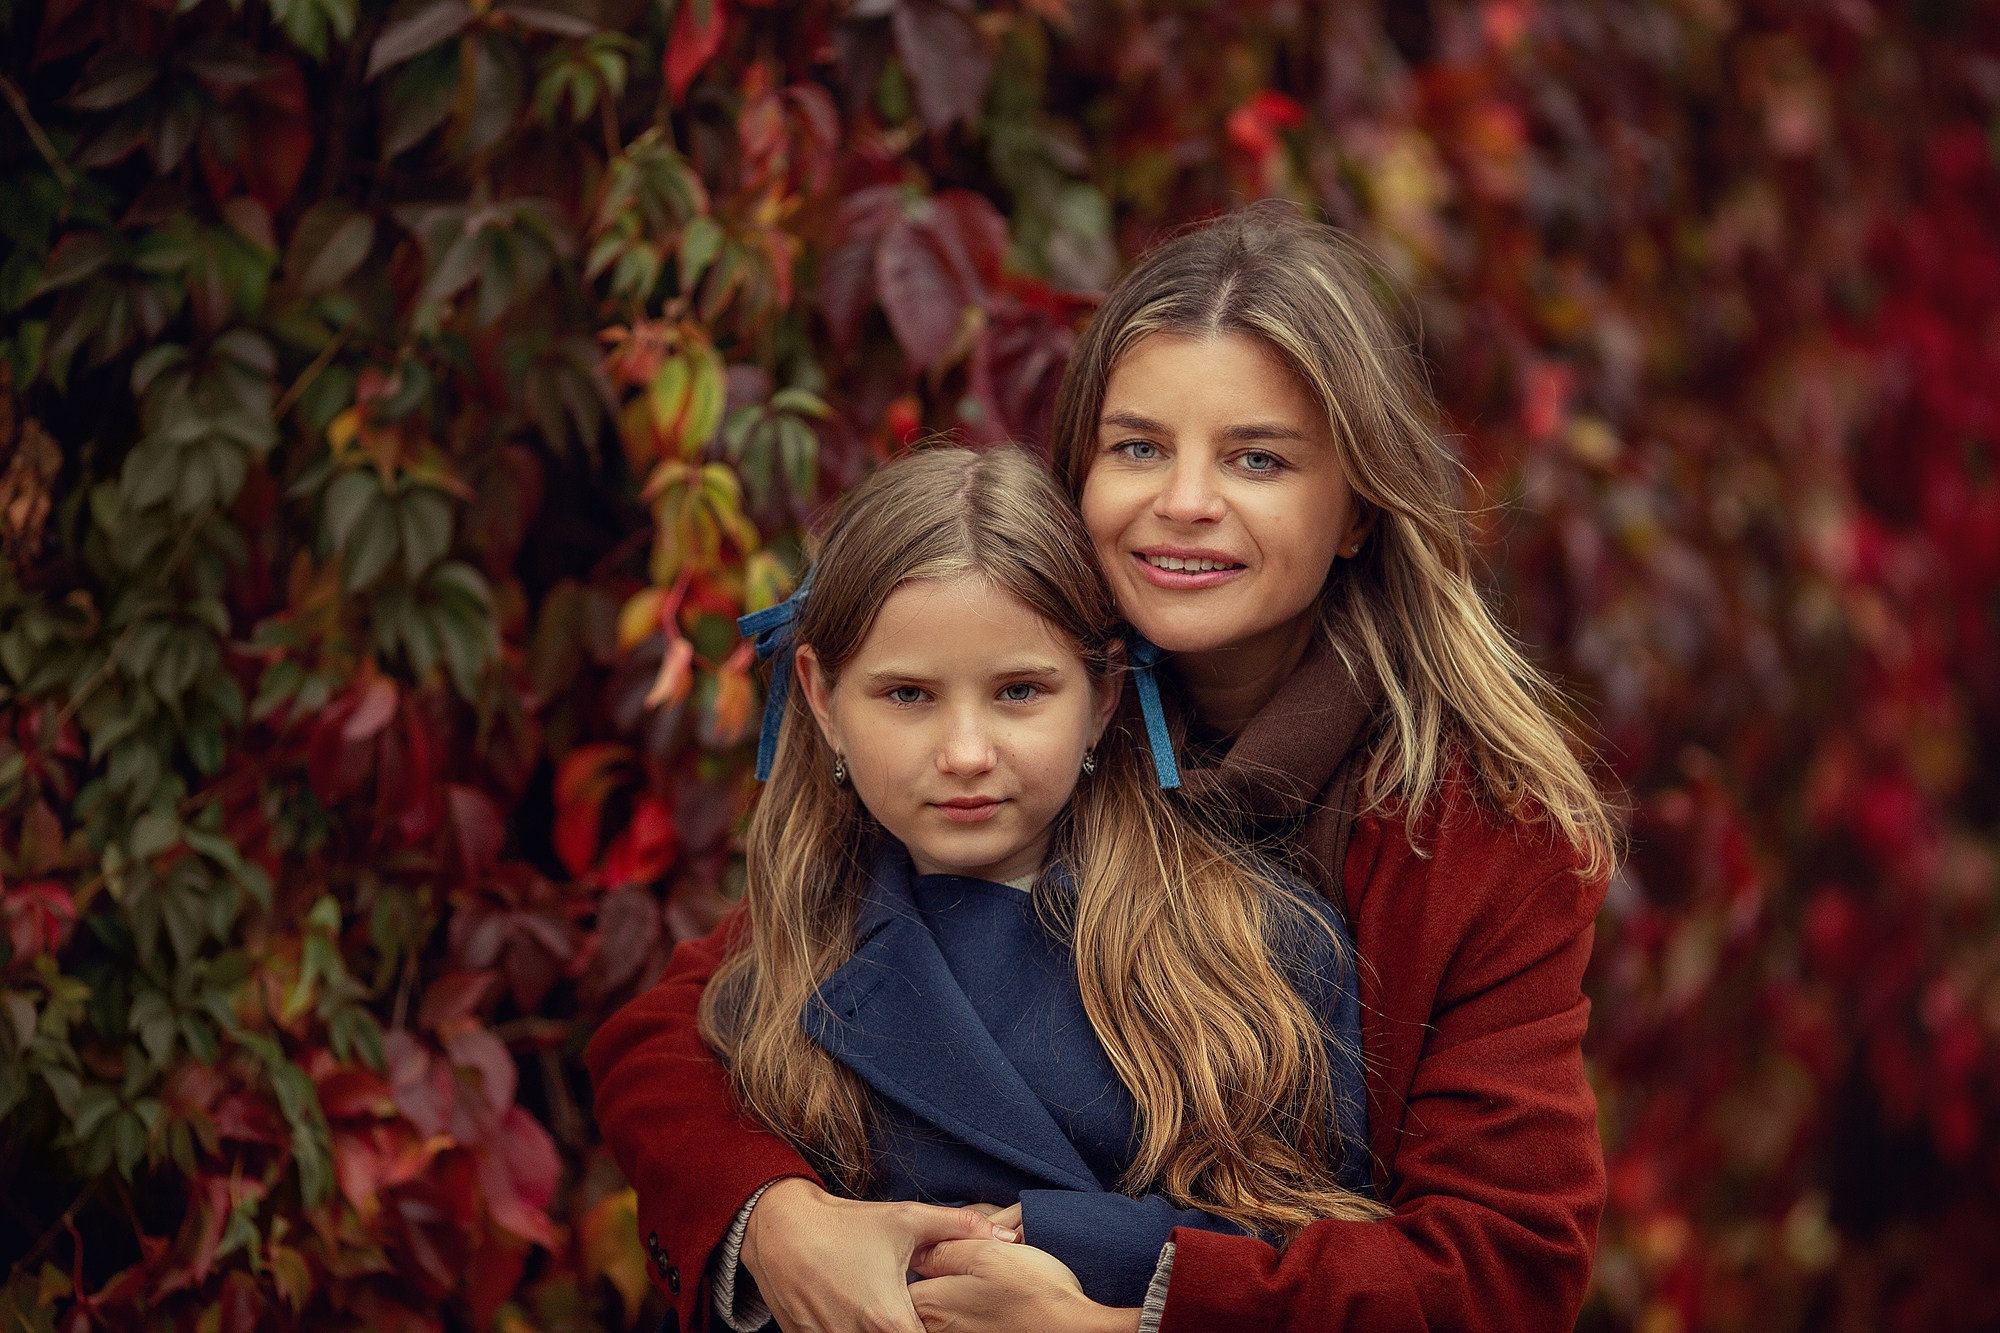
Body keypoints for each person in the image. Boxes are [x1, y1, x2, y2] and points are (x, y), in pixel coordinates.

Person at [586, 202, 1619, 1333]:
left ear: (1357, 510)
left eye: (1255, 458)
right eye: (1137, 447)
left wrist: (1128, 1321)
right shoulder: (1029, 703)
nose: (1182, 502)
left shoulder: (1475, 824)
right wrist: (776, 1217)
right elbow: (698, 1015)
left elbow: (1499, 1270)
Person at [694, 442, 1382, 1325]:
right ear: (822, 699)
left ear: (1100, 696)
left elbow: (1324, 1252)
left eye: (1020, 690)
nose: (967, 752)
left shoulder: (1260, 943)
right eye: (907, 695)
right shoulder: (777, 981)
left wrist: (1069, 1244)